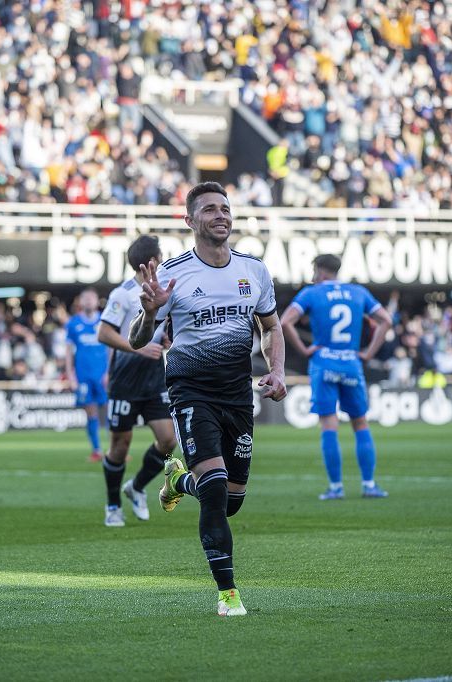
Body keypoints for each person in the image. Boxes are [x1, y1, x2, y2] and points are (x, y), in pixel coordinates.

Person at [129, 181, 287, 617]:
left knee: (231, 502)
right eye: (210, 209)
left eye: (225, 208)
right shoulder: (173, 276)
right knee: (216, 490)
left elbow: (271, 327)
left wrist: (276, 370)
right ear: (190, 220)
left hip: (237, 395)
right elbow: (138, 338)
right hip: (190, 391)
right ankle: (228, 594)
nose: (221, 215)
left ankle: (178, 482)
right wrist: (148, 312)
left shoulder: (254, 271)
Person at [280, 254, 394, 500]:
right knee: (360, 423)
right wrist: (369, 352)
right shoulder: (358, 292)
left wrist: (303, 350)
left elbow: (285, 322)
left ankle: (336, 487)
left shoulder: (311, 293)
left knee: (329, 425)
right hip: (351, 362)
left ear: (320, 271)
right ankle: (369, 484)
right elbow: (385, 320)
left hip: (323, 363)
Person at [96, 235, 177, 527]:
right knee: (121, 445)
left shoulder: (161, 288)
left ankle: (137, 486)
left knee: (169, 440)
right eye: (161, 255)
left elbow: (160, 328)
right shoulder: (123, 294)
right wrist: (139, 347)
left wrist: (164, 338)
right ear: (150, 262)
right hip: (125, 380)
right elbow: (104, 333)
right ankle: (113, 505)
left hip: (155, 377)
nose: (164, 259)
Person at [65, 288, 109, 463]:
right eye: (86, 298)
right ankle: (97, 449)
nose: (89, 301)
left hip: (103, 375)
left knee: (109, 411)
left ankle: (115, 449)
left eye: (92, 298)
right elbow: (68, 352)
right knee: (90, 412)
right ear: (80, 302)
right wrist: (70, 375)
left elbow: (111, 348)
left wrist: (109, 371)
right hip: (83, 376)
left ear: (97, 301)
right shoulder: (73, 324)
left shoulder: (105, 321)